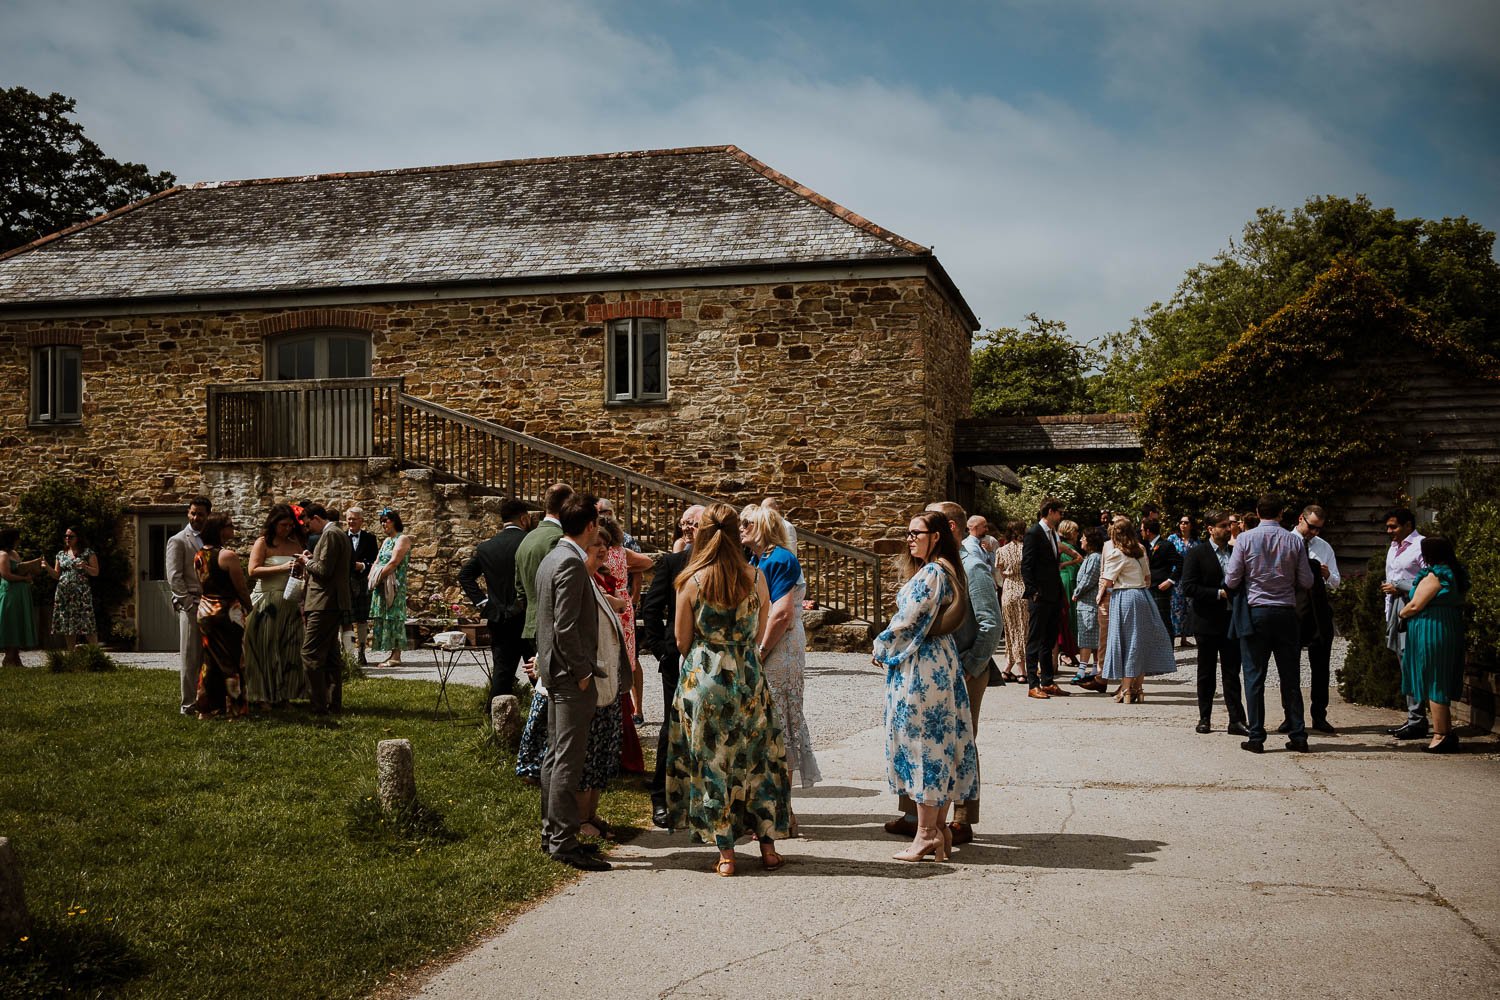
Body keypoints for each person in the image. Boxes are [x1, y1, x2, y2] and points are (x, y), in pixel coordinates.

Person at [666, 503, 792, 877]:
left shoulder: (691, 581)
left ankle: (726, 854)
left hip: (705, 679)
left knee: (713, 764)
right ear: (738, 533)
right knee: (758, 761)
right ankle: (768, 848)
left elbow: (681, 640)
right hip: (747, 677)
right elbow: (758, 630)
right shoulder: (756, 578)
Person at [873, 509, 978, 862]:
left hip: (923, 666)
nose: (909, 538)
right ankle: (940, 830)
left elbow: (910, 619)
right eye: (908, 532)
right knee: (938, 743)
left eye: (916, 532)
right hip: (935, 661)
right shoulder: (942, 568)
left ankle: (927, 834)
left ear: (936, 536)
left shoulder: (933, 571)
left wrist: (881, 646)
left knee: (924, 744)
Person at [535, 492, 611, 873]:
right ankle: (564, 841)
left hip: (555, 672)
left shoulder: (553, 557)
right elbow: (564, 627)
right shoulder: (570, 563)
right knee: (567, 758)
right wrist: (582, 673)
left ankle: (552, 834)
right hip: (569, 675)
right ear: (591, 525)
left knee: (554, 754)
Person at [742, 503, 821, 800]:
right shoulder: (757, 558)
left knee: (779, 721)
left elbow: (781, 613)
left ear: (763, 527)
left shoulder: (779, 559)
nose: (741, 528)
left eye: (747, 523)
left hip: (779, 645)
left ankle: (780, 808)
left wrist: (760, 650)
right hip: (767, 641)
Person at [930, 500, 998, 845]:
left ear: (949, 528)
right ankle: (918, 815)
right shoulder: (932, 566)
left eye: (930, 522)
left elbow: (990, 623)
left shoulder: (973, 568)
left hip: (965, 670)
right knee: (927, 740)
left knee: (961, 743)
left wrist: (973, 665)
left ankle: (962, 818)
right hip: (934, 670)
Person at [1225, 495, 1314, 753]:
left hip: (1256, 611)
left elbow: (1231, 578)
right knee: (1290, 676)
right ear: (1282, 513)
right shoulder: (1293, 541)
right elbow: (1306, 581)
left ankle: (1256, 736)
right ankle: (1298, 733)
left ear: (1257, 512)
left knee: (1254, 676)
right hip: (1286, 611)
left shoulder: (1244, 539)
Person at [639, 504, 701, 829]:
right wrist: (662, 650)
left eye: (696, 525)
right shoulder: (674, 562)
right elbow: (651, 607)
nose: (690, 530)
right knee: (671, 724)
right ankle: (660, 796)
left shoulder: (721, 563)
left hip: (708, 659)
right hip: (675, 657)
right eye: (687, 525)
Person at [514, 484, 573, 785]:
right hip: (550, 626)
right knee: (551, 701)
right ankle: (541, 762)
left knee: (542, 696)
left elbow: (520, 589)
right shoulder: (556, 541)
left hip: (530, 622)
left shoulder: (527, 540)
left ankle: (534, 760)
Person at [577, 529, 631, 840]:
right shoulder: (580, 580)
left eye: (606, 545)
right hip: (591, 677)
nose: (603, 550)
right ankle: (580, 818)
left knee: (601, 754)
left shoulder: (595, 580)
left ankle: (591, 814)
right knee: (588, 753)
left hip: (607, 678)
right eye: (596, 544)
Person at [1397, 538, 1470, 754]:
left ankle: (1440, 735)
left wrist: (1402, 613)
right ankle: (1446, 731)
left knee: (1434, 679)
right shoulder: (1455, 573)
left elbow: (1415, 604)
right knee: (1441, 677)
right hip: (1448, 626)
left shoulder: (1435, 575)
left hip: (1432, 629)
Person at [1180, 510, 1248, 735]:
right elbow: (1188, 587)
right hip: (1207, 620)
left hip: (1231, 620)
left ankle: (1236, 720)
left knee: (1231, 672)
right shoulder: (1197, 553)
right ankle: (1204, 718)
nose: (1228, 529)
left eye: (1229, 525)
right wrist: (1218, 594)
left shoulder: (1235, 551)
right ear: (1210, 529)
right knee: (1206, 672)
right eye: (1223, 525)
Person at [459, 498, 533, 706]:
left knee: (502, 673)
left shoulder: (487, 548)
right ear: (524, 519)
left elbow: (465, 575)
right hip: (527, 616)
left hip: (499, 616)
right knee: (537, 671)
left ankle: (495, 721)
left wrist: (483, 602)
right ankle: (543, 722)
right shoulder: (529, 543)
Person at [1097, 517, 1176, 703]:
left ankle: (1126, 690)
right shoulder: (1140, 551)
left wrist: (1100, 595)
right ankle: (1138, 688)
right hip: (1143, 596)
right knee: (1139, 641)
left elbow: (1107, 580)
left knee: (1126, 642)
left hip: (1124, 597)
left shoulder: (1116, 553)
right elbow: (1148, 579)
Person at [242, 503, 309, 709]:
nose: (287, 529)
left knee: (289, 648)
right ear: (273, 524)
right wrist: (282, 567)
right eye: (283, 525)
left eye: (290, 525)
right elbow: (252, 570)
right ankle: (262, 695)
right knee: (265, 648)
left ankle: (285, 694)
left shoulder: (295, 544)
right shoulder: (263, 542)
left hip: (290, 601)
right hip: (267, 601)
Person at [596, 516, 647, 773]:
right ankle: (635, 706)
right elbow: (648, 562)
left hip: (614, 603)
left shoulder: (605, 553)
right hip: (623, 604)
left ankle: (629, 705)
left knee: (619, 659)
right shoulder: (620, 552)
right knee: (630, 658)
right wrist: (631, 588)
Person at [192, 514, 252, 719]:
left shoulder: (199, 555)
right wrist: (249, 606)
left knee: (209, 662)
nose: (233, 529)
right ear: (220, 530)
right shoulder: (228, 556)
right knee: (232, 660)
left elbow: (203, 585)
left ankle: (206, 709)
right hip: (226, 612)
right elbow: (241, 587)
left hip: (205, 611)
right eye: (230, 526)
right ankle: (235, 709)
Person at [298, 504, 352, 716]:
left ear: (316, 518)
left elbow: (324, 570)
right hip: (331, 602)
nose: (307, 527)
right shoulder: (337, 533)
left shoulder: (330, 534)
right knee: (330, 656)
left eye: (308, 522)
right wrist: (313, 557)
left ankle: (319, 704)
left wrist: (306, 561)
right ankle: (333, 704)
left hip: (324, 602)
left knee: (310, 653)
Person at [1381, 507, 1429, 740]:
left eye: (1394, 526)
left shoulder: (1422, 545)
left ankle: (1417, 718)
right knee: (1404, 662)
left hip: (1413, 608)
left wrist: (1400, 585)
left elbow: (1430, 580)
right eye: (1388, 527)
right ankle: (1414, 716)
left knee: (1411, 662)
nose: (1390, 531)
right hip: (1396, 609)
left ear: (1408, 525)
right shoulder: (1393, 547)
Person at [1293, 505, 1340, 735]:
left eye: (1319, 529)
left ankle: (1319, 715)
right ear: (1301, 519)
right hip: (1293, 608)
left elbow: (1337, 582)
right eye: (1312, 527)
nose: (1315, 533)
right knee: (1289, 666)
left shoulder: (1324, 547)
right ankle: (1291, 715)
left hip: (1318, 609)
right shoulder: (1285, 542)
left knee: (1320, 666)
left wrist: (1327, 575)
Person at [166, 495, 211, 713]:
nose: (195, 517)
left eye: (200, 514)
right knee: (190, 655)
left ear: (207, 515)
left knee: (209, 656)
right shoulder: (178, 540)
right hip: (191, 603)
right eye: (192, 513)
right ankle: (188, 703)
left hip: (212, 603)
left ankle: (207, 700)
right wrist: (187, 603)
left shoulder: (211, 538)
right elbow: (174, 577)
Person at [1021, 498, 1069, 698]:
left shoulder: (1053, 534)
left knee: (1048, 640)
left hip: (1053, 594)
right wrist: (1033, 591)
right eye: (1059, 512)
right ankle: (1033, 684)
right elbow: (1027, 565)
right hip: (1040, 595)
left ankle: (1047, 681)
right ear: (1050, 511)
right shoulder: (1034, 533)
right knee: (1035, 639)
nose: (1061, 516)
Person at [368, 507, 413, 667]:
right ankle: (391, 653)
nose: (383, 524)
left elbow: (394, 562)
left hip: (394, 585)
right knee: (384, 617)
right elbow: (377, 559)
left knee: (394, 616)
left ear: (394, 521)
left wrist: (378, 576)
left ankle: (396, 655)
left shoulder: (402, 539)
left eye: (385, 521)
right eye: (381, 522)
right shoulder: (387, 541)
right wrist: (372, 576)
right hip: (381, 584)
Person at [47, 527, 99, 648]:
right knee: (68, 624)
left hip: (82, 593)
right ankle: (72, 655)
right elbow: (56, 574)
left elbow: (96, 572)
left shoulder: (87, 553)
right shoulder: (61, 554)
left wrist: (85, 566)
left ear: (78, 538)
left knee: (87, 622)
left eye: (70, 536)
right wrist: (46, 567)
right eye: (66, 536)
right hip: (64, 593)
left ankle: (95, 653)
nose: (67, 538)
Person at [1070, 526, 1108, 691]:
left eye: (1083, 538)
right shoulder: (1090, 557)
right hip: (1086, 604)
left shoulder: (1094, 558)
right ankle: (1094, 669)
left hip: (1089, 604)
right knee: (1091, 638)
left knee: (1087, 638)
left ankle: (1082, 670)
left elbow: (1089, 578)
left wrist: (1077, 592)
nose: (1080, 540)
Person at [343, 506, 380, 665]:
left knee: (362, 619)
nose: (351, 521)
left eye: (355, 519)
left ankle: (362, 652)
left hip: (363, 581)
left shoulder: (370, 538)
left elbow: (375, 561)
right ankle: (348, 654)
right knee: (346, 620)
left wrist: (363, 566)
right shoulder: (341, 537)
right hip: (346, 582)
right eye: (349, 518)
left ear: (361, 521)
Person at [0, 529, 41, 666]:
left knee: (19, 620)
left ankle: (16, 657)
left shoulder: (14, 554)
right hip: (10, 592)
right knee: (11, 622)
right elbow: (6, 575)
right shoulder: (3, 555)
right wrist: (24, 578)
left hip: (21, 593)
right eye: (17, 538)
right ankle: (9, 657)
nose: (19, 541)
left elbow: (19, 568)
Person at [995, 520, 1027, 681]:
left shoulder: (1001, 550)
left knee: (1010, 629)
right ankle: (1021, 669)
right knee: (1022, 630)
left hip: (1008, 589)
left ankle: (1008, 667)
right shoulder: (1027, 550)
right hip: (1024, 589)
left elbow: (1000, 573)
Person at [1142, 518, 1182, 640]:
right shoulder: (1145, 547)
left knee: (1164, 620)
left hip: (1160, 589)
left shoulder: (1166, 545)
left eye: (1142, 530)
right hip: (1148, 588)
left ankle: (1169, 652)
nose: (1141, 533)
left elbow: (1181, 563)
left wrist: (1170, 581)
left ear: (1148, 531)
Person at [1056, 519, 1083, 672]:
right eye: (1075, 530)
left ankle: (1070, 651)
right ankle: (1065, 651)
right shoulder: (1065, 546)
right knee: (1068, 616)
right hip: (1067, 581)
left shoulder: (1071, 547)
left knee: (1072, 616)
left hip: (1071, 580)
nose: (1077, 534)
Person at [1170, 515, 1195, 647]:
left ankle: (1184, 637)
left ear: (1191, 525)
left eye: (1186, 522)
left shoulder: (1195, 542)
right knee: (1175, 608)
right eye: (1181, 522)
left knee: (1188, 608)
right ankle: (1173, 638)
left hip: (1190, 579)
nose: (1183, 525)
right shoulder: (1173, 539)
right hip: (1176, 579)